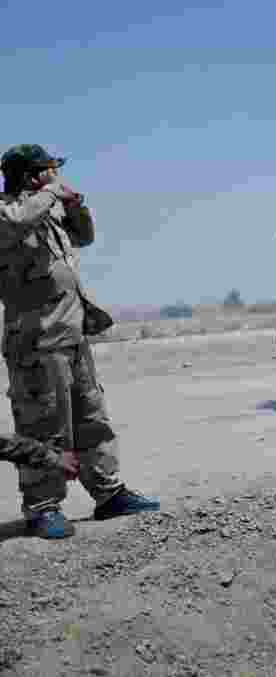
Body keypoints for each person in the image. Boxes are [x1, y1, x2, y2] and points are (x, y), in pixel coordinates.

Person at [0, 144, 159, 539]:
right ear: (30, 175)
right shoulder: (8, 211)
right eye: (48, 170)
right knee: (43, 425)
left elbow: (84, 237)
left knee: (92, 420)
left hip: (72, 333)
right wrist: (52, 193)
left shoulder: (46, 209)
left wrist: (75, 205)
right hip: (36, 340)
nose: (56, 175)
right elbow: (17, 222)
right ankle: (43, 507)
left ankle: (108, 493)